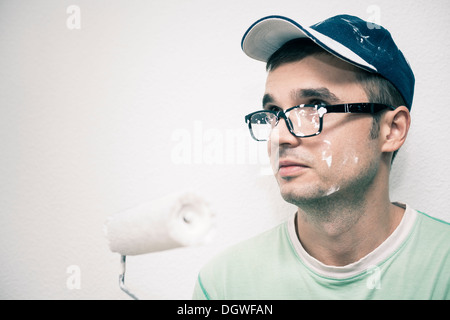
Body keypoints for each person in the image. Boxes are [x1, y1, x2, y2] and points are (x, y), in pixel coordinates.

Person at [192, 14, 450, 299]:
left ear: (392, 130)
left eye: (315, 107)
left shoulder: (442, 269)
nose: (279, 136)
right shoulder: (226, 284)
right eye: (275, 113)